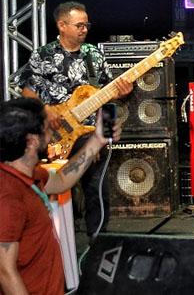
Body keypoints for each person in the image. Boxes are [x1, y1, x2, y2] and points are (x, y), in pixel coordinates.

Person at [19, 1, 133, 237]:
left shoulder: (94, 55)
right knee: (59, 187)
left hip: (89, 132)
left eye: (86, 25)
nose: (84, 29)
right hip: (55, 132)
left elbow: (107, 95)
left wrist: (121, 99)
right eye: (79, 25)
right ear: (62, 25)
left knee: (97, 187)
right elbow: (27, 90)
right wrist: (45, 110)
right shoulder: (43, 54)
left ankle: (98, 239)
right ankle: (63, 239)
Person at [0, 97, 123, 295]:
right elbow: (5, 272)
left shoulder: (28, 174)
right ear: (32, 141)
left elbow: (61, 180)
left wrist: (97, 140)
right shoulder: (8, 196)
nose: (53, 133)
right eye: (48, 128)